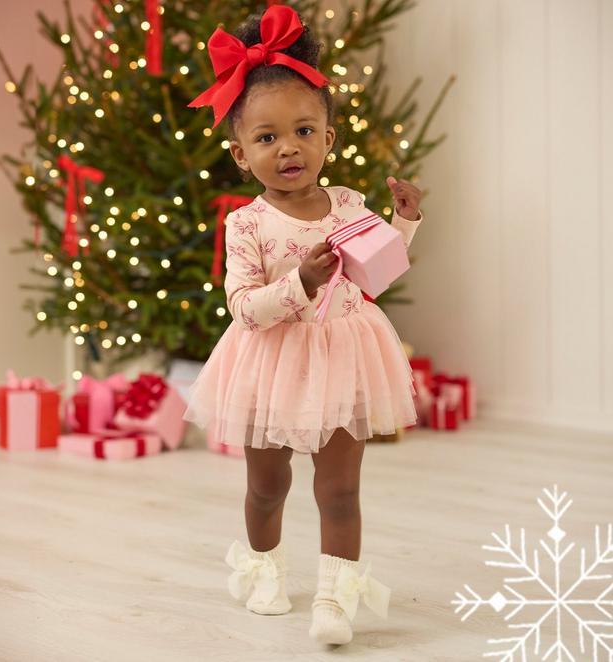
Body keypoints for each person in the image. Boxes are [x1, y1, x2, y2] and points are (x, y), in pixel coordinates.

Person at [183, 4, 424, 646]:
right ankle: (265, 570)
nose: (287, 147)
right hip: (271, 360)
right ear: (240, 153)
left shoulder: (347, 203)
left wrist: (403, 223)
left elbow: (378, 274)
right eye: (266, 138)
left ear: (328, 138)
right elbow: (243, 307)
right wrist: (300, 285)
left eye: (303, 130)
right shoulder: (247, 225)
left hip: (344, 352)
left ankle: (335, 598)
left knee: (339, 490)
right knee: (268, 486)